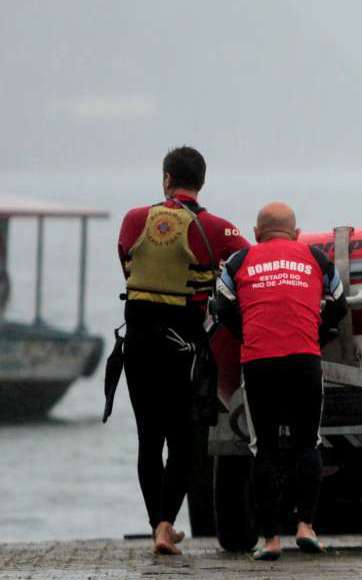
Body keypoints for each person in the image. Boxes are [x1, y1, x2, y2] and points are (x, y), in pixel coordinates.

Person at [118, 146, 249, 555]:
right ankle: (165, 524)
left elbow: (125, 262)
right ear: (202, 182)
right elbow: (247, 263)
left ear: (166, 179)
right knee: (185, 441)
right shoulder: (218, 228)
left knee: (147, 438)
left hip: (138, 345)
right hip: (184, 349)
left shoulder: (135, 219)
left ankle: (157, 522)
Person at [212, 202, 347, 561]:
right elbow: (339, 301)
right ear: (297, 233)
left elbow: (221, 305)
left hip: (259, 361)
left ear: (256, 234)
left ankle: (270, 539)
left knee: (265, 449)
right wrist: (318, 332)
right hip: (304, 358)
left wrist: (247, 333)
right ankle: (305, 526)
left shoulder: (240, 261)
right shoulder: (315, 258)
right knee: (308, 443)